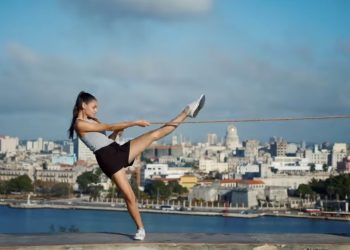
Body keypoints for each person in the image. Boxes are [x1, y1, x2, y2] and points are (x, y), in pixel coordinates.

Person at [68, 91, 205, 240]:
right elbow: (108, 126)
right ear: (83, 105)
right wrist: (135, 123)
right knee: (130, 196)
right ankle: (141, 229)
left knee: (155, 134)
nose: (96, 110)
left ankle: (187, 111)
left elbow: (106, 139)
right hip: (107, 160)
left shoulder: (92, 120)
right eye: (94, 107)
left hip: (116, 149)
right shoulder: (79, 124)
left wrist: (117, 134)